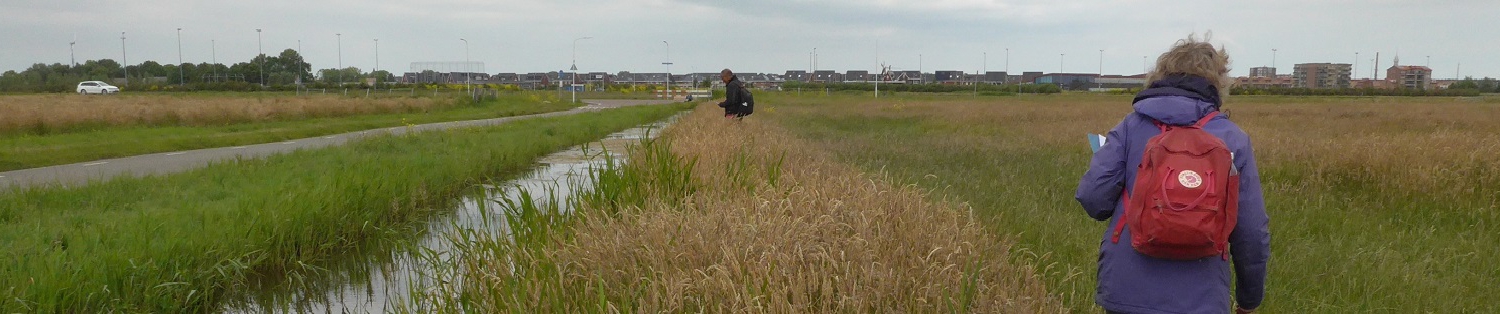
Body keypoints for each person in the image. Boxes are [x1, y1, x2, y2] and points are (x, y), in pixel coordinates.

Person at [1075, 33, 1270, 314]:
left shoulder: (1131, 127)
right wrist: (1249, 300)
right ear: (1218, 81)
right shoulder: (1233, 138)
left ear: (1161, 74)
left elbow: (1093, 198)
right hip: (1202, 297)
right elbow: (1251, 232)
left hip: (1128, 291)